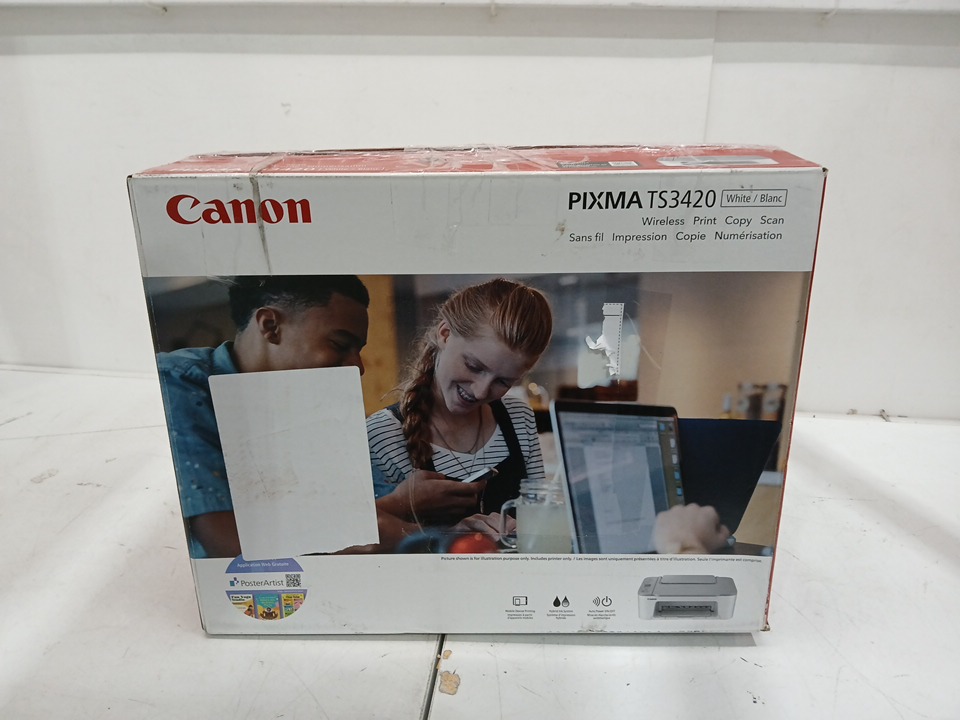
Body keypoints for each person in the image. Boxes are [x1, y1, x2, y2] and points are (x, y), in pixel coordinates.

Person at [157, 275, 411, 558]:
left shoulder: (312, 398)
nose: (358, 367)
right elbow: (229, 544)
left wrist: (406, 501)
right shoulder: (175, 382)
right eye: (339, 344)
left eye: (358, 351)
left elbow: (369, 503)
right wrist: (386, 515)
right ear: (270, 326)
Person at [367, 278, 554, 536]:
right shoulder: (381, 434)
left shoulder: (518, 417)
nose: (481, 391)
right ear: (445, 334)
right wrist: (452, 537)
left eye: (503, 381)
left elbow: (542, 523)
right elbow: (368, 541)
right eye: (474, 366)